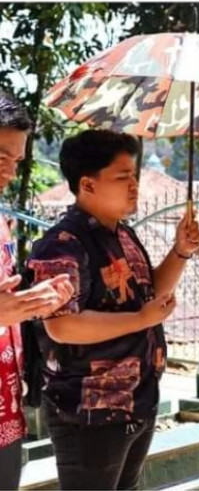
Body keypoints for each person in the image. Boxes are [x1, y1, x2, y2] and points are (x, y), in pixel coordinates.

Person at [26, 129, 199, 490]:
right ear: (87, 185)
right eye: (122, 177)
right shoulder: (62, 245)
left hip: (136, 398)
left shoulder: (123, 234)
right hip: (90, 409)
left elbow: (148, 291)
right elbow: (62, 325)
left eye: (134, 175)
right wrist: (141, 319)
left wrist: (181, 251)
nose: (134, 185)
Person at [0, 91, 73, 490]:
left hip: (7, 415)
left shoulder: (1, 222)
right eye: (1, 158)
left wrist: (34, 301)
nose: (10, 173)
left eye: (16, 161)